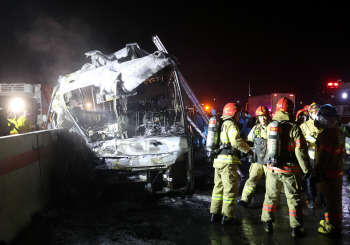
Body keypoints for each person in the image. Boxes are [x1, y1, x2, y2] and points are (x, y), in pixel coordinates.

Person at [261, 97, 312, 238]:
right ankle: (296, 228)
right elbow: (300, 151)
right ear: (291, 110)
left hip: (272, 168)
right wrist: (307, 169)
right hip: (290, 169)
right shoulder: (295, 127)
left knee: (270, 196)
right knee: (294, 198)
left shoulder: (271, 125)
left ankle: (267, 223)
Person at [210, 103, 253, 225]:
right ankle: (228, 216)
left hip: (218, 160)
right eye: (238, 114)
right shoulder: (230, 124)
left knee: (218, 188)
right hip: (227, 162)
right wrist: (249, 150)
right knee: (230, 189)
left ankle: (214, 213)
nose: (239, 116)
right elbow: (235, 141)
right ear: (234, 114)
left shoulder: (221, 123)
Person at [313, 104, 344, 235]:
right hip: (336, 172)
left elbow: (323, 157)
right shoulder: (338, 132)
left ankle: (331, 227)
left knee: (329, 201)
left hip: (328, 174)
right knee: (335, 200)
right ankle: (332, 222)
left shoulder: (327, 135)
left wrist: (317, 172)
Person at [237, 106, 271, 207]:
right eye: (260, 116)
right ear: (257, 118)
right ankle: (245, 200)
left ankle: (269, 204)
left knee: (270, 184)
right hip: (257, 159)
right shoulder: (256, 128)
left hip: (269, 160)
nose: (262, 118)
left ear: (267, 116)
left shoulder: (273, 127)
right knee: (251, 180)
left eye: (264, 116)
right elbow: (250, 140)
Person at [299, 103, 321, 209]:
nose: (316, 114)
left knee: (322, 178)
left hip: (322, 156)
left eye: (317, 112)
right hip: (311, 157)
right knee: (310, 179)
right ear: (310, 113)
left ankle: (323, 199)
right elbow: (299, 142)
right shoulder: (304, 126)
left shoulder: (323, 125)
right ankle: (311, 199)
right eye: (314, 112)